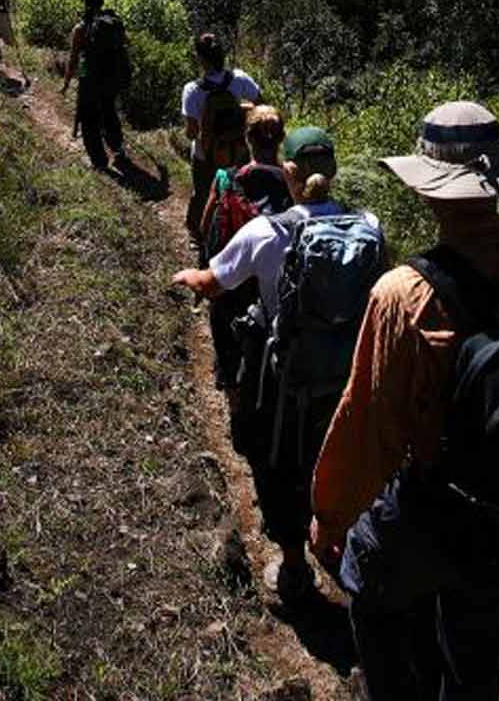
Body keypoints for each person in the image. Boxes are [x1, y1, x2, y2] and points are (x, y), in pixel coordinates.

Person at [309, 102, 499, 701]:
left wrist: (330, 516)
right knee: (478, 651)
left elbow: (368, 428)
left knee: (366, 582)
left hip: (436, 508)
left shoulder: (407, 294)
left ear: (428, 190)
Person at [172, 126, 383, 607]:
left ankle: (292, 571)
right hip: (348, 379)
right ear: (332, 171)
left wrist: (187, 275)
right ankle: (336, 540)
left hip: (285, 383)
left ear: (286, 172)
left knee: (278, 467)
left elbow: (213, 283)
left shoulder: (267, 231)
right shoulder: (369, 224)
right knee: (335, 460)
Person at [194, 104, 294, 393]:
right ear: (280, 139)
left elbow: (205, 226)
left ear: (247, 139)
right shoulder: (293, 186)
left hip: (233, 276)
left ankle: (229, 383)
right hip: (272, 281)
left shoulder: (227, 178)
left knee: (223, 320)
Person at [180, 33, 261, 243]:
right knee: (239, 191)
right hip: (237, 150)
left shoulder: (192, 90)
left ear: (201, 59)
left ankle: (197, 234)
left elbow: (191, 132)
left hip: (205, 154)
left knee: (203, 193)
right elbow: (261, 107)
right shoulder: (240, 79)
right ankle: (236, 231)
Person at [64, 0, 133, 175]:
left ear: (85, 4)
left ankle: (99, 161)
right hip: (110, 77)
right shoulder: (113, 23)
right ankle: (118, 149)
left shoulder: (80, 28)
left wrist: (67, 83)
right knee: (109, 111)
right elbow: (126, 43)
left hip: (89, 77)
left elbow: (74, 59)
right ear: (102, 3)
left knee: (89, 118)